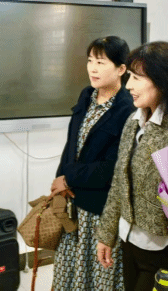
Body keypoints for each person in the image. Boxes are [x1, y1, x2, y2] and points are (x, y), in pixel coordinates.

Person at [96, 41, 168, 291]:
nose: (129, 85)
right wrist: (106, 234)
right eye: (130, 77)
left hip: (167, 252)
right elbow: (119, 183)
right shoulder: (133, 122)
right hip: (131, 243)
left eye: (137, 78)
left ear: (163, 82)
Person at [50, 36, 135, 290]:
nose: (93, 68)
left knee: (97, 276)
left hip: (100, 210)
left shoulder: (127, 109)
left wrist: (68, 178)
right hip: (73, 203)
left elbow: (112, 168)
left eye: (101, 62)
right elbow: (72, 143)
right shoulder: (86, 96)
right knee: (69, 272)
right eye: (90, 61)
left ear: (121, 69)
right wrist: (60, 180)